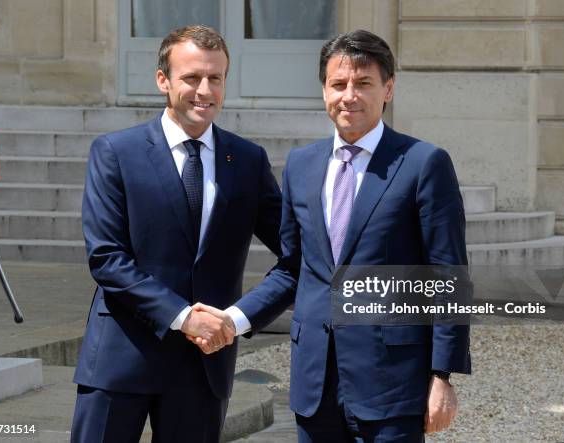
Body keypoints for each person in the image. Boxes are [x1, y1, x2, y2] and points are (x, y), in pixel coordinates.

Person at [191, 30, 471, 442]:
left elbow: (447, 277)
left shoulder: (423, 163)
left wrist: (442, 376)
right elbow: (293, 268)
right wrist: (233, 319)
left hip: (391, 386)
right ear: (324, 89)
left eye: (363, 84)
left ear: (388, 88)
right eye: (338, 84)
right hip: (314, 384)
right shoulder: (302, 165)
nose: (349, 96)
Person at [70, 25, 283, 442]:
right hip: (121, 360)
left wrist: (238, 319)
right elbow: (106, 258)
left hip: (204, 368)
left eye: (215, 78)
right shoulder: (115, 153)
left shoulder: (248, 160)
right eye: (191, 78)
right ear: (162, 80)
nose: (205, 90)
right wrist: (184, 317)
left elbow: (296, 254)